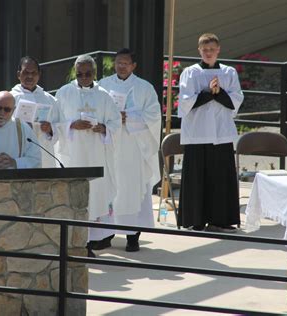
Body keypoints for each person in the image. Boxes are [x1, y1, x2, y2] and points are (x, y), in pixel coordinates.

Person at [54, 54, 121, 256]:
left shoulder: (104, 96)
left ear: (94, 73)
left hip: (95, 153)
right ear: (75, 72)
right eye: (80, 73)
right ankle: (74, 242)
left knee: (94, 196)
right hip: (72, 155)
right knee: (74, 196)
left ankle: (89, 243)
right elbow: (54, 122)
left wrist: (102, 128)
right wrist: (71, 125)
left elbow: (116, 123)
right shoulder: (64, 93)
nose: (84, 77)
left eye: (88, 73)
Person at [177, 33, 244, 232]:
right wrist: (209, 92)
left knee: (221, 177)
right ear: (199, 50)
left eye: (212, 50)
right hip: (197, 132)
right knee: (196, 178)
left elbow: (236, 99)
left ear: (218, 50)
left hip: (221, 132)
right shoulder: (190, 73)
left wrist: (218, 93)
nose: (208, 53)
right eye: (205, 50)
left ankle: (221, 219)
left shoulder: (229, 72)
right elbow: (185, 101)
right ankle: (195, 219)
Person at [98, 48, 161, 252]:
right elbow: (97, 109)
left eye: (125, 63)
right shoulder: (104, 85)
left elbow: (153, 116)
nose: (121, 66)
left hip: (133, 146)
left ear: (134, 66)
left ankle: (133, 235)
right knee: (110, 188)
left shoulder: (144, 88)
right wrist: (111, 117)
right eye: (118, 62)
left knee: (132, 189)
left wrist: (129, 117)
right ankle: (106, 233)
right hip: (110, 144)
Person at [10, 56, 60, 167]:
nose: (30, 76)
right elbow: (0, 123)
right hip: (19, 151)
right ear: (19, 74)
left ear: (39, 75)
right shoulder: (10, 98)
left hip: (44, 151)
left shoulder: (49, 99)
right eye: (26, 72)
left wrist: (51, 128)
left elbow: (62, 125)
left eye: (34, 73)